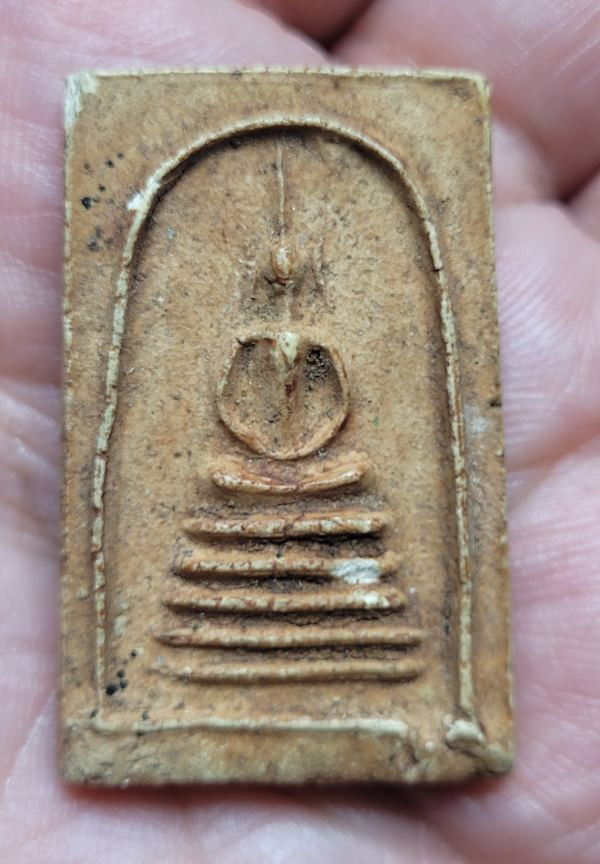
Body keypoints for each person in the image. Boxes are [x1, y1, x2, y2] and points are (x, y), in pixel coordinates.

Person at [1, 1, 599, 861]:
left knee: (340, 499)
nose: (282, 277)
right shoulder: (250, 350)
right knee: (232, 500)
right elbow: (241, 413)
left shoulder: (318, 352)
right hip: (245, 478)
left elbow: (334, 406)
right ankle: (135, 693)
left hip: (325, 483)